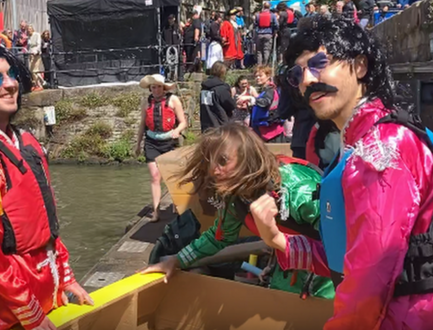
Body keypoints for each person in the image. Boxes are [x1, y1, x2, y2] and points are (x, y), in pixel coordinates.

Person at [253, 16, 433, 329]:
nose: (307, 80)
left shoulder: (381, 148)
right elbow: (346, 255)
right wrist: (279, 240)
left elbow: (371, 274)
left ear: (360, 66)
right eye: (298, 73)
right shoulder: (356, 145)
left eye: (319, 63)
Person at [0, 41, 91, 330]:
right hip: (7, 306)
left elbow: (50, 222)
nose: (11, 84)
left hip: (47, 287)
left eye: (11, 75)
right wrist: (29, 311)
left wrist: (66, 275)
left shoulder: (29, 143)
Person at [140, 125, 335, 299]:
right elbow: (218, 237)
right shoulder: (236, 196)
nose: (214, 171)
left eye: (223, 161)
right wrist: (176, 260)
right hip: (288, 268)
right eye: (210, 162)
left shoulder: (297, 189)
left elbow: (339, 248)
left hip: (325, 278)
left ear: (247, 158)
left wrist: (276, 240)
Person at [135, 75, 187, 222]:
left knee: (171, 176)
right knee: (155, 177)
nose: (156, 90)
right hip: (152, 142)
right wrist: (138, 144)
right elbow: (142, 125)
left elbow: (183, 122)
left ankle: (177, 206)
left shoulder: (173, 100)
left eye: (158, 87)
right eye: (153, 87)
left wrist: (177, 131)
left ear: (163, 87)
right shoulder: (146, 102)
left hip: (169, 141)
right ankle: (156, 211)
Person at [238, 66, 284, 142]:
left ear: (268, 76)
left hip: (271, 132)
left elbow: (265, 102)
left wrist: (249, 98)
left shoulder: (270, 90)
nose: (257, 78)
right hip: (262, 131)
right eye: (256, 76)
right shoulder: (264, 91)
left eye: (260, 75)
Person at [200, 61, 235, 132]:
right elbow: (230, 105)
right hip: (220, 125)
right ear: (223, 72)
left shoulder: (204, 88)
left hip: (207, 125)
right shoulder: (221, 88)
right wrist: (232, 96)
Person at [27, 25, 43, 91]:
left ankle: (40, 84)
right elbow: (29, 46)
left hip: (36, 54)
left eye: (30, 29)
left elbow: (38, 44)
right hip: (30, 54)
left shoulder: (37, 35)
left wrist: (36, 51)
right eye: (28, 29)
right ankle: (37, 84)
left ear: (32, 29)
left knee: (35, 70)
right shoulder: (29, 37)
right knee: (31, 70)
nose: (29, 30)